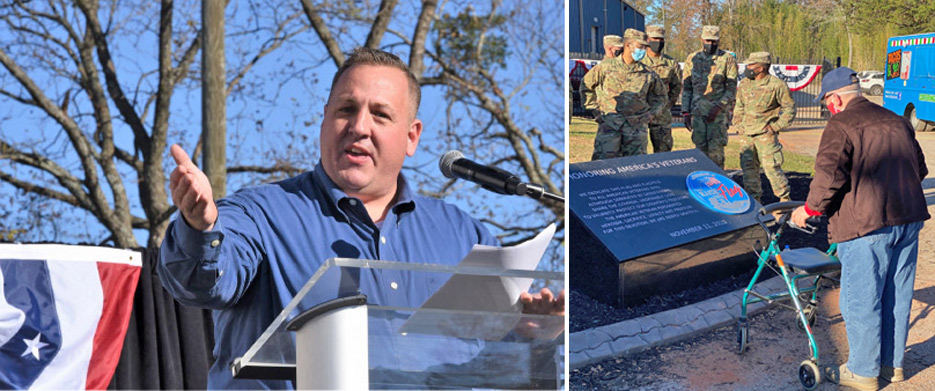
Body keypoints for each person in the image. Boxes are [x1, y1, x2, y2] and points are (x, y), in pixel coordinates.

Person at [159, 47, 564, 389]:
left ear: (411, 136)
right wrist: (199, 227)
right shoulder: (261, 213)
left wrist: (533, 336)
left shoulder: (465, 237)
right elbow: (198, 284)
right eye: (346, 109)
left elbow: (501, 364)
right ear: (324, 118)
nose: (359, 127)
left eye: (381, 115)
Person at [791, 67, 929, 391]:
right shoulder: (897, 120)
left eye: (826, 102)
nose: (827, 108)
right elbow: (919, 169)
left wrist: (807, 210)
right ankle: (891, 366)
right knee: (897, 296)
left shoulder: (841, 123)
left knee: (861, 298)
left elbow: (828, 177)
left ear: (836, 98)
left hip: (866, 226)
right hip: (908, 220)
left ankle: (863, 371)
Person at [580, 28, 666, 160]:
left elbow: (661, 96)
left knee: (636, 169)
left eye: (645, 47)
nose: (643, 50)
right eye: (640, 46)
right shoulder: (606, 67)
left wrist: (652, 114)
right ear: (628, 45)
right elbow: (586, 87)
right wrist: (596, 112)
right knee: (603, 168)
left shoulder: (648, 73)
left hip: (636, 130)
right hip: (610, 127)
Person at [734, 51, 795, 204]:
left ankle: (784, 200)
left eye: (751, 65)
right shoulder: (744, 84)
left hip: (765, 135)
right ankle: (755, 201)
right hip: (747, 135)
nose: (747, 68)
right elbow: (739, 106)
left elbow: (790, 109)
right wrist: (738, 123)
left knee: (772, 168)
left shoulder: (776, 85)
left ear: (761, 67)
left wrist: (775, 127)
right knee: (748, 170)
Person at [681, 25, 737, 169]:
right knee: (699, 153)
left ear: (718, 41)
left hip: (717, 116)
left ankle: (717, 186)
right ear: (701, 39)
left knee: (716, 154)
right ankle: (701, 186)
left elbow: (731, 89)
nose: (711, 44)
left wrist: (719, 107)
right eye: (708, 40)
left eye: (714, 41)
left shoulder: (727, 59)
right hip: (698, 114)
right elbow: (687, 88)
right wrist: (685, 112)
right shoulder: (692, 58)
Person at [640, 25, 681, 153]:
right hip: (640, 114)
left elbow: (677, 85)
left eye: (661, 39)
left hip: (662, 115)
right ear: (647, 39)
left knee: (663, 152)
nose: (658, 42)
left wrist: (668, 104)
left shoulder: (671, 63)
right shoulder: (638, 60)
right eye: (655, 38)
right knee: (638, 153)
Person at [578, 34, 624, 112]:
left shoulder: (625, 66)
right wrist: (595, 110)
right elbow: (586, 87)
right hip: (610, 115)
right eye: (619, 49)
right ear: (610, 48)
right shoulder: (601, 68)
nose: (622, 52)